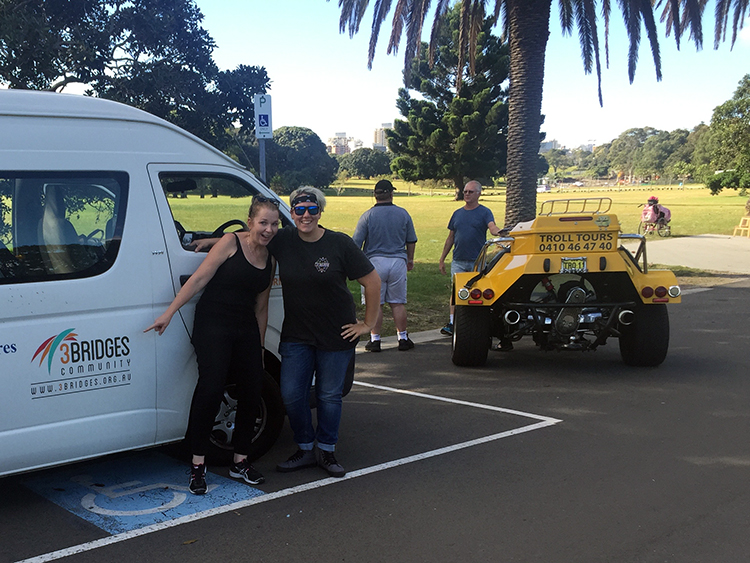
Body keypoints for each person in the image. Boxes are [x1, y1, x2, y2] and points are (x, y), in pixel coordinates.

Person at [144, 195, 280, 495]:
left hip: (244, 327)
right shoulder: (230, 243)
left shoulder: (270, 260)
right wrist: (168, 313)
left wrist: (258, 347)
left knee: (252, 388)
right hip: (213, 324)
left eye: (274, 224)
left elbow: (261, 307)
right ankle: (197, 465)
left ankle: (241, 460)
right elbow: (198, 280)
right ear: (250, 222)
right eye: (263, 223)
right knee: (211, 388)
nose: (268, 229)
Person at [270, 186, 380, 478]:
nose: (305, 216)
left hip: (337, 334)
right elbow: (250, 238)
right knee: (291, 394)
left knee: (329, 395)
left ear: (320, 211)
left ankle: (327, 450)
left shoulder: (339, 244)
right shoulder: (282, 240)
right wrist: (211, 241)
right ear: (291, 212)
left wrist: (367, 325)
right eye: (299, 210)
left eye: (312, 210)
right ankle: (305, 447)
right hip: (297, 334)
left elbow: (372, 281)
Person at [352, 179, 418, 352]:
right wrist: (409, 259)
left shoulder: (367, 216)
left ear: (375, 195)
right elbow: (411, 240)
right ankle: (402, 337)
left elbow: (356, 243)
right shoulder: (403, 214)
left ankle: (375, 339)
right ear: (391, 193)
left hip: (374, 263)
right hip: (397, 261)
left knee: (376, 303)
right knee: (397, 303)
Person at [438, 180, 502, 336]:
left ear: (479, 194)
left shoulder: (485, 212)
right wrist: (442, 259)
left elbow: (492, 227)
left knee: (476, 292)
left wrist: (501, 232)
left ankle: (477, 323)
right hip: (458, 260)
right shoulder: (457, 214)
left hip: (476, 261)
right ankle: (453, 323)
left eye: (470, 192)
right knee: (456, 292)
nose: (466, 194)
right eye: (465, 191)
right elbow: (450, 237)